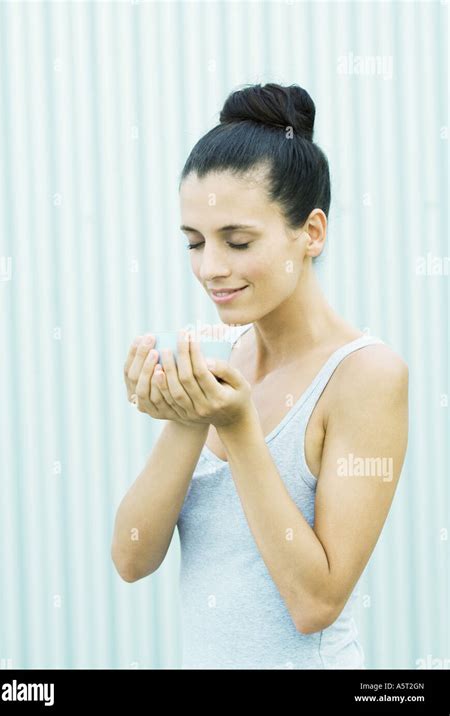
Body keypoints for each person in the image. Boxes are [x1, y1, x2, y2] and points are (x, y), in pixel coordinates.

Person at [112, 83, 409, 669]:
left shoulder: (366, 376)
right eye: (194, 243)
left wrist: (238, 426)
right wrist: (186, 422)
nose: (211, 268)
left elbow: (315, 603)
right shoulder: (218, 362)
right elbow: (130, 560)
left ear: (312, 233)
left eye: (238, 241)